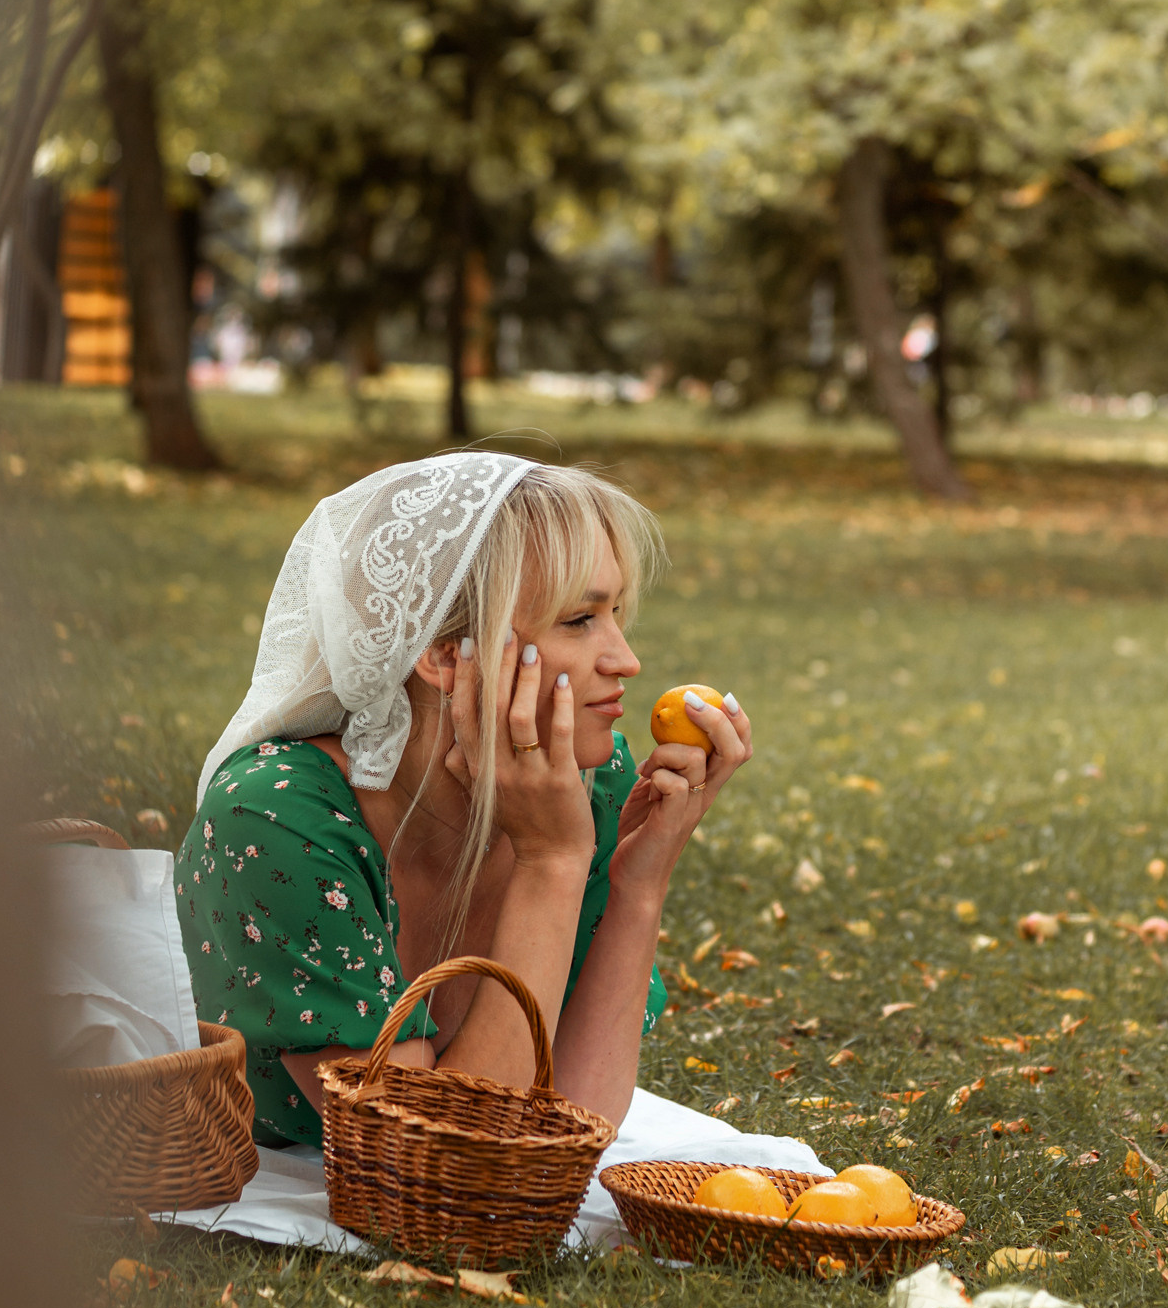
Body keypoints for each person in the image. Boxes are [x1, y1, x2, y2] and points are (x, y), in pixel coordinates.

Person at [177, 453, 750, 1145]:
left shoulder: (583, 785)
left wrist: (639, 880)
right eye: (579, 620)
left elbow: (575, 1115)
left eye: (616, 612)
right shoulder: (274, 820)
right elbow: (427, 1152)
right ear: (446, 654)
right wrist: (552, 862)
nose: (625, 659)